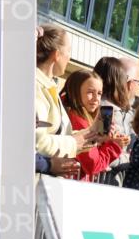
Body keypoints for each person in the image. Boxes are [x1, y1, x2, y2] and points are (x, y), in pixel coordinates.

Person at [35, 25, 99, 158]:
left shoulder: (48, 85)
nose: (69, 57)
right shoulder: (37, 86)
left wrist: (94, 134)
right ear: (57, 55)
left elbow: (62, 136)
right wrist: (74, 143)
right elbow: (37, 142)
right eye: (69, 51)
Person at [61, 70, 122, 180]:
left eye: (99, 93)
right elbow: (93, 164)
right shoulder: (78, 121)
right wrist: (114, 146)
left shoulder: (78, 114)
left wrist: (102, 141)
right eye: (90, 92)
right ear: (75, 91)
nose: (96, 99)